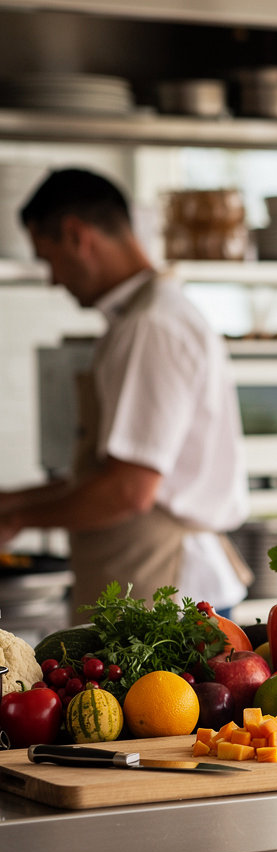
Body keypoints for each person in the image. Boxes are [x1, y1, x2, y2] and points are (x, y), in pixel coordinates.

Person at [0, 167, 251, 613]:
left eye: (48, 257)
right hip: (154, 580)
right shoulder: (147, 318)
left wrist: (18, 518)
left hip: (168, 595)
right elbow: (110, 473)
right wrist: (11, 501)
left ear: (77, 235)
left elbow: (128, 490)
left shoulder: (149, 326)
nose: (54, 279)